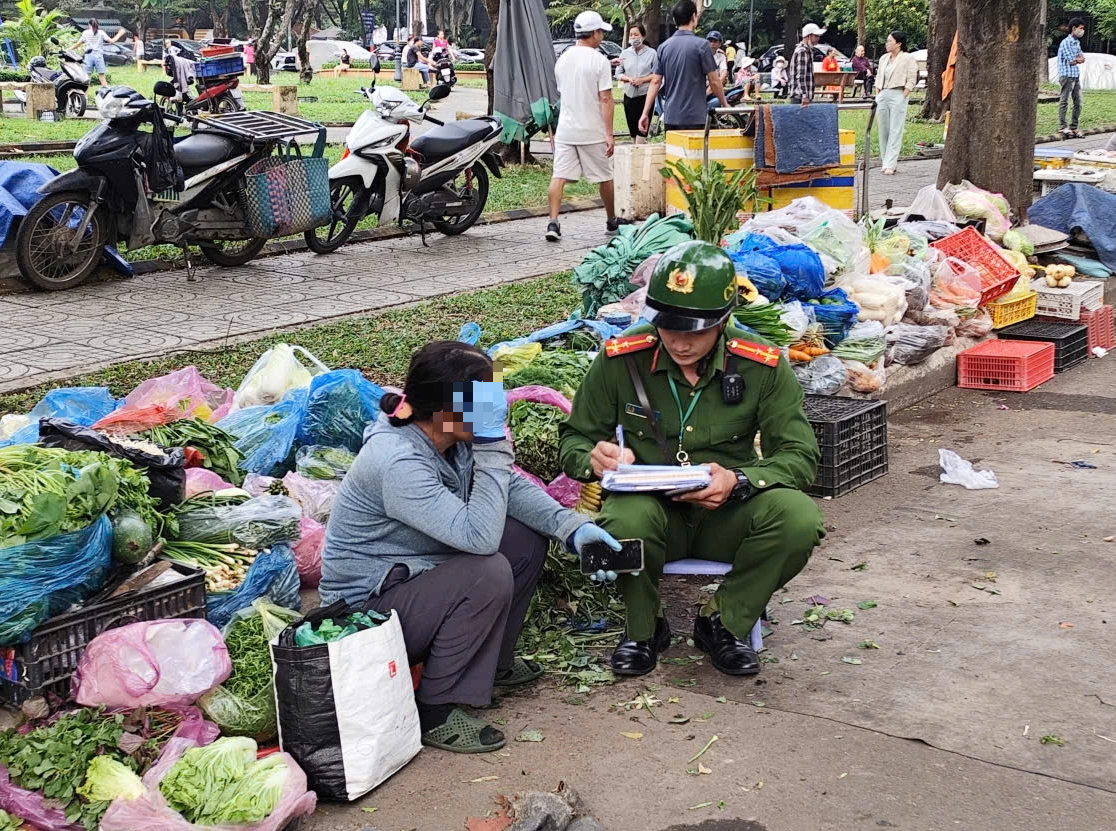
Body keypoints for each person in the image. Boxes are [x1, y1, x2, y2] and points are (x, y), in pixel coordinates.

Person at [320, 341, 620, 753]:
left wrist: (570, 527)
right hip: (363, 616)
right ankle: (435, 709)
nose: (495, 413)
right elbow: (479, 538)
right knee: (488, 568)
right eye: (485, 403)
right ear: (446, 408)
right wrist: (494, 441)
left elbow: (508, 486)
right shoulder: (398, 462)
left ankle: (493, 664)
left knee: (524, 539)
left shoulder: (450, 438)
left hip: (416, 578)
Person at [558, 241, 825, 678]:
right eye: (669, 327)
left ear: (723, 321)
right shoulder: (621, 359)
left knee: (798, 518)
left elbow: (799, 457)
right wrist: (595, 458)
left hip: (728, 515)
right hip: (649, 511)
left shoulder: (761, 364)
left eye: (696, 331)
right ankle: (643, 628)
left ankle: (724, 621)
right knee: (622, 523)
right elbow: (573, 440)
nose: (680, 342)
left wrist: (738, 479)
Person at [546, 11, 630, 243]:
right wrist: (609, 134)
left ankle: (553, 222)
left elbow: (563, 92)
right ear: (594, 33)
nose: (602, 36)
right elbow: (605, 98)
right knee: (605, 177)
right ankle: (611, 220)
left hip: (565, 129)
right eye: (601, 32)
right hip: (591, 130)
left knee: (559, 176)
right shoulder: (599, 60)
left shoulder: (562, 59)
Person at [639, 0, 727, 135]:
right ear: (694, 17)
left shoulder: (663, 47)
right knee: (695, 155)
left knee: (674, 155)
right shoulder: (702, 46)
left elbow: (655, 82)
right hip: (695, 117)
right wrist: (725, 104)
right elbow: (714, 81)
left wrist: (645, 113)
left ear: (675, 20)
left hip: (671, 116)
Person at [875, 30, 918, 175]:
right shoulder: (883, 58)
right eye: (887, 41)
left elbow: (912, 78)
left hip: (898, 93)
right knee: (883, 129)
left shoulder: (907, 58)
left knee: (895, 129)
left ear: (899, 43)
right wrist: (878, 93)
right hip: (883, 93)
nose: (887, 44)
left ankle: (891, 163)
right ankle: (884, 160)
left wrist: (904, 94)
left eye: (890, 41)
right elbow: (879, 77)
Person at [618, 24, 658, 144]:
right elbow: (618, 73)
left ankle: (640, 150)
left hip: (645, 96)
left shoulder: (652, 53)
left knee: (641, 133)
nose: (633, 37)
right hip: (629, 96)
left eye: (636, 34)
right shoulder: (625, 54)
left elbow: (657, 74)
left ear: (643, 36)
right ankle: (635, 153)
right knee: (633, 131)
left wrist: (643, 80)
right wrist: (628, 78)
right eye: (631, 35)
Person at [73, 18, 126, 87]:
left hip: (88, 56)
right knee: (102, 77)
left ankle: (85, 96)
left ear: (89, 25)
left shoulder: (85, 33)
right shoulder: (101, 32)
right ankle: (106, 94)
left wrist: (68, 49)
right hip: (98, 56)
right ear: (97, 24)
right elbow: (112, 41)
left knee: (87, 78)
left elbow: (78, 44)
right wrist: (120, 33)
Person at [1058, 18, 1087, 138]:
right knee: (1064, 101)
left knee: (1078, 102)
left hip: (1075, 75)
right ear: (1074, 28)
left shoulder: (1077, 43)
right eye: (1081, 28)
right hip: (1066, 75)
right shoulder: (1066, 43)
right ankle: (1062, 126)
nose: (1082, 31)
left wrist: (1078, 59)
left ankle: (1073, 127)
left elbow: (1082, 58)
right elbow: (1072, 61)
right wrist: (1077, 59)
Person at [788, 22, 825, 106]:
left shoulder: (807, 50)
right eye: (816, 36)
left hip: (801, 96)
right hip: (799, 97)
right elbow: (801, 75)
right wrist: (804, 95)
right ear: (808, 36)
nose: (818, 38)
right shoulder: (803, 51)